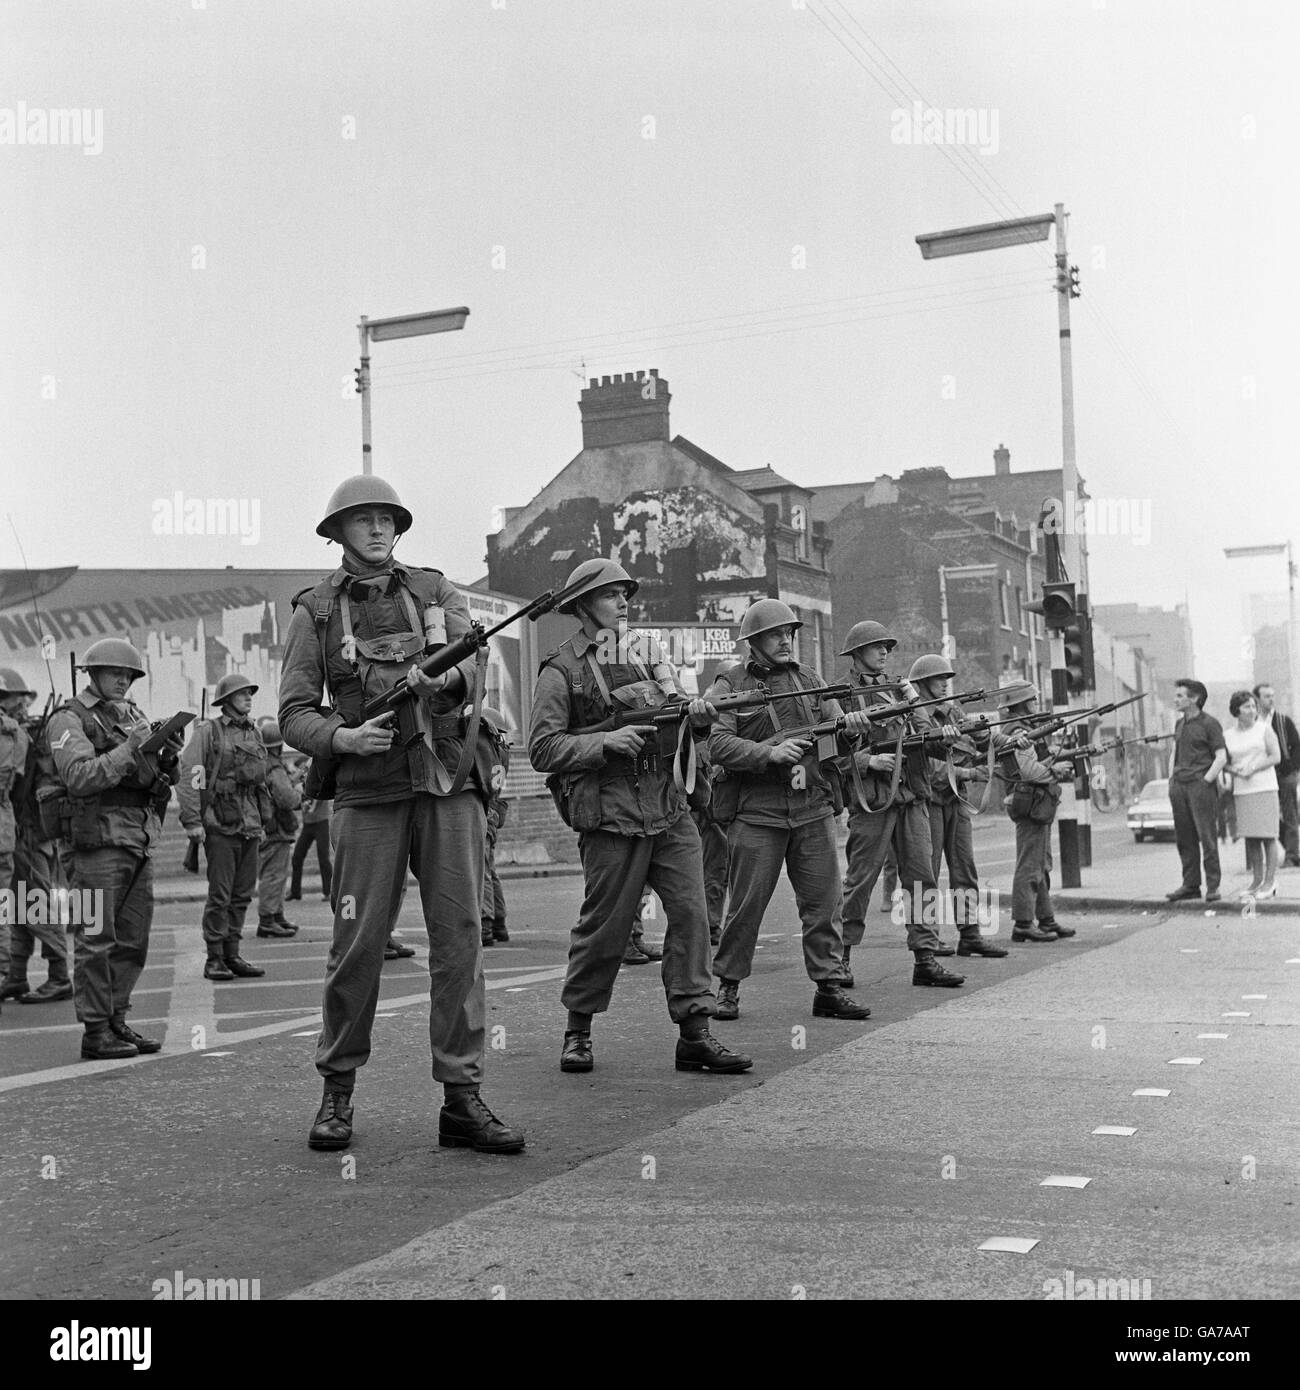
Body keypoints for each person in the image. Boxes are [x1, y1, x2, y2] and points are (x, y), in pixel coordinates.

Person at [280, 474, 523, 1154]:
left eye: (387, 518)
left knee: (460, 941)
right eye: (364, 520)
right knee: (357, 949)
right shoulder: (316, 614)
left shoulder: (435, 591)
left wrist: (448, 679)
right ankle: (337, 1093)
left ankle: (462, 1097)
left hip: (447, 782)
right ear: (339, 533)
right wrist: (342, 738)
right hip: (368, 790)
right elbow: (294, 714)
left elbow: (477, 667)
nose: (379, 529)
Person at [528, 558, 751, 1075]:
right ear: (583, 606)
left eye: (626, 594)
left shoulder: (650, 657)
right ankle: (578, 1031)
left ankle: (695, 1032)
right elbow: (541, 747)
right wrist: (603, 741)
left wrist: (696, 723)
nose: (624, 603)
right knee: (604, 930)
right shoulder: (562, 669)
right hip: (611, 818)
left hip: (668, 810)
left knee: (693, 919)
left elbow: (676, 722)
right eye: (611, 595)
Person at [706, 599, 871, 1021]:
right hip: (758, 812)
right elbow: (716, 744)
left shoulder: (811, 679)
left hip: (811, 808)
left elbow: (833, 735)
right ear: (755, 640)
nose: (786, 640)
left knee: (823, 904)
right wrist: (769, 753)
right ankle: (727, 988)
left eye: (789, 633)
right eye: (776, 634)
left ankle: (829, 987)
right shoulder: (730, 684)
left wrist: (851, 732)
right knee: (746, 907)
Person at [45, 639, 185, 1058]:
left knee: (132, 939)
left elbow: (156, 778)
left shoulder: (132, 716)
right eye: (115, 673)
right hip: (95, 844)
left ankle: (116, 1019)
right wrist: (130, 747)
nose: (124, 680)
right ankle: (95, 1031)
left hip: (137, 838)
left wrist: (168, 756)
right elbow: (79, 777)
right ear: (92, 673)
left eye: (129, 675)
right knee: (95, 938)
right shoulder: (70, 719)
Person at [835, 621, 964, 989]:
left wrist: (917, 703)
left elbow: (926, 738)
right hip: (874, 801)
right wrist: (865, 762)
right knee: (859, 881)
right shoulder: (841, 695)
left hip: (912, 797)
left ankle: (925, 958)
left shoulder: (900, 690)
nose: (884, 652)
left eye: (886, 646)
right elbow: (826, 751)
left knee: (922, 880)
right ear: (857, 653)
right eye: (876, 646)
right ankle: (839, 960)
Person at [907, 654, 1007, 960]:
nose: (944, 684)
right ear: (923, 683)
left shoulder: (952, 711)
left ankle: (970, 933)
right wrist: (967, 772)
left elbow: (972, 748)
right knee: (926, 871)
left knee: (965, 868)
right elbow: (928, 766)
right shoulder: (914, 715)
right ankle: (928, 938)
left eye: (946, 679)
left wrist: (980, 732)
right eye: (938, 679)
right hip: (929, 799)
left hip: (955, 799)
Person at [177, 675, 270, 981]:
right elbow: (191, 775)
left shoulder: (254, 731)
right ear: (227, 699)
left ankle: (232, 953)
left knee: (243, 894)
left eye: (249, 693)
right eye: (241, 693)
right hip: (220, 824)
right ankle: (214, 957)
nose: (248, 697)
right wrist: (192, 820)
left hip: (250, 823)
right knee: (221, 895)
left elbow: (259, 782)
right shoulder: (209, 732)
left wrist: (262, 821)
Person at [0, 670, 72, 1004]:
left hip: (28, 831)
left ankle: (59, 975)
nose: (16, 705)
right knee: (17, 906)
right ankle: (16, 977)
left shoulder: (23, 736)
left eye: (12, 699)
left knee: (35, 903)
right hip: (25, 830)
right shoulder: (30, 733)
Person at [996, 682, 1078, 942]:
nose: (1035, 704)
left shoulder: (1025, 729)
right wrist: (1056, 770)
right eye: (1032, 700)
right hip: (1030, 802)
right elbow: (1028, 770)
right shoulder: (1018, 731)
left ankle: (1046, 919)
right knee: (1029, 866)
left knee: (1040, 865)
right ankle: (1022, 924)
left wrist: (1075, 753)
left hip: (1036, 802)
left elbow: (1043, 756)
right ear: (1021, 703)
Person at [1166, 678, 1228, 903]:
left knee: (1207, 836)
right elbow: (1175, 751)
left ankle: (1213, 887)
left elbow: (1221, 756)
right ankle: (1190, 885)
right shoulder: (1179, 724)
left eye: (1181, 695)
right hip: (1179, 786)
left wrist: (1206, 780)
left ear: (1195, 699)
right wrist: (1172, 779)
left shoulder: (1209, 723)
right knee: (1185, 838)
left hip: (1199, 787)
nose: (1176, 699)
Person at [1223, 690, 1281, 899]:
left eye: (1254, 706)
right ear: (1236, 710)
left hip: (1264, 787)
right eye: (1246, 706)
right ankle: (1256, 880)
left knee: (1268, 836)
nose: (1252, 710)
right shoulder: (1227, 736)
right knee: (1252, 839)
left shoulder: (1264, 729)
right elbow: (1224, 763)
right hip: (1242, 790)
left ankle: (1270, 881)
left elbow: (1276, 756)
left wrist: (1254, 767)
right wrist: (1235, 771)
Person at [254, 717, 302, 938]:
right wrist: (300, 793)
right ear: (278, 746)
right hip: (276, 829)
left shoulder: (262, 765)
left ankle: (276, 915)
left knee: (277, 875)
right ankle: (267, 919)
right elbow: (287, 799)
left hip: (269, 827)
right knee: (274, 875)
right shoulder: (274, 768)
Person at [1254, 683, 1299, 867]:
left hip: (1284, 775)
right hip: (1262, 777)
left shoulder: (1283, 720)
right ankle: (1286, 850)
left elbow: (1297, 746)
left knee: (1290, 815)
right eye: (1266, 696)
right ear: (1257, 699)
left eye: (1272, 695)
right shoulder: (1254, 722)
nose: (1271, 699)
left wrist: (1291, 769)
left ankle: (1292, 855)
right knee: (1267, 815)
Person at [478, 706, 511, 949]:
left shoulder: (489, 751)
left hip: (485, 810)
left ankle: (486, 923)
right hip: (494, 810)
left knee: (483, 871)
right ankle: (499, 922)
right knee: (491, 870)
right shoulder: (503, 752)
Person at [287, 775, 332, 901]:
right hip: (308, 825)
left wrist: (310, 807)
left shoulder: (320, 780)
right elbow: (296, 794)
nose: (305, 772)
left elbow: (318, 799)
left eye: (307, 769)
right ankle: (295, 892)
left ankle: (328, 892)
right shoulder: (302, 786)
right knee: (297, 857)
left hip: (321, 823)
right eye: (304, 770)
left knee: (323, 858)